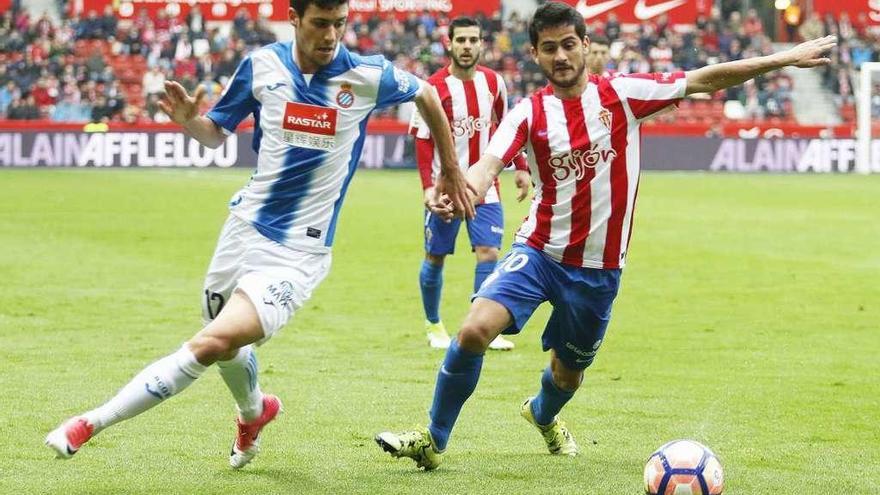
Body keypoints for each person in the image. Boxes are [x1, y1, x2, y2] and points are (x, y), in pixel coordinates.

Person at [375, 1, 836, 470]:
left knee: (567, 377)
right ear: (534, 53)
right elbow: (487, 165)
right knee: (474, 329)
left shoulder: (622, 95)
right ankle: (433, 438)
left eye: (569, 45)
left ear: (585, 46)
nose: (561, 56)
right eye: (549, 48)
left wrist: (783, 58)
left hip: (598, 271)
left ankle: (541, 413)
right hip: (539, 253)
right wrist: (460, 189)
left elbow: (705, 78)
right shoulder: (528, 114)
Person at [45, 0, 473, 469]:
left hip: (297, 252)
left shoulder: (368, 74)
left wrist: (449, 170)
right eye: (319, 24)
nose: (330, 35)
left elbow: (427, 95)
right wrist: (190, 120)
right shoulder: (262, 66)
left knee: (210, 343)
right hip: (242, 229)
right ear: (294, 18)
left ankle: (90, 423)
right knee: (228, 347)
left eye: (339, 24)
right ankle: (255, 412)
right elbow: (214, 134)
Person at [414, 16, 530, 351]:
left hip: (485, 186)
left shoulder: (494, 83)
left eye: (473, 40)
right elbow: (422, 140)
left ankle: (479, 326)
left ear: (481, 44)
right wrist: (426, 188)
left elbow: (506, 129)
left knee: (488, 252)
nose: (467, 46)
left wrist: (520, 166)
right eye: (460, 40)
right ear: (449, 43)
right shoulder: (433, 88)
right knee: (436, 257)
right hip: (446, 191)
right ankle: (433, 324)